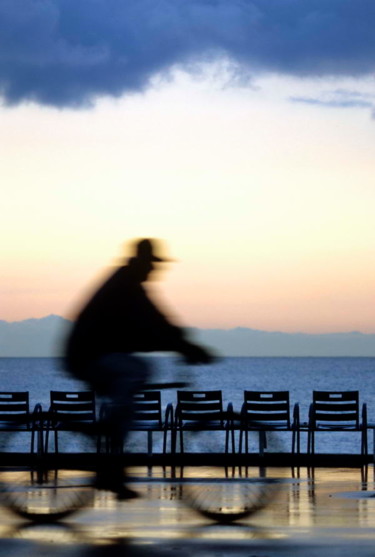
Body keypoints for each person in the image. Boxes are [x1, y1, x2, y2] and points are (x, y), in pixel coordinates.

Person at [65, 238, 215, 498]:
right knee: (138, 373)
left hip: (91, 353)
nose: (155, 270)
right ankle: (111, 459)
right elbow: (152, 321)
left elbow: (154, 322)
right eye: (153, 264)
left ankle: (111, 468)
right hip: (88, 355)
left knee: (128, 402)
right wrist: (185, 345)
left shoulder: (128, 282)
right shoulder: (128, 286)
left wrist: (180, 342)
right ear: (144, 262)